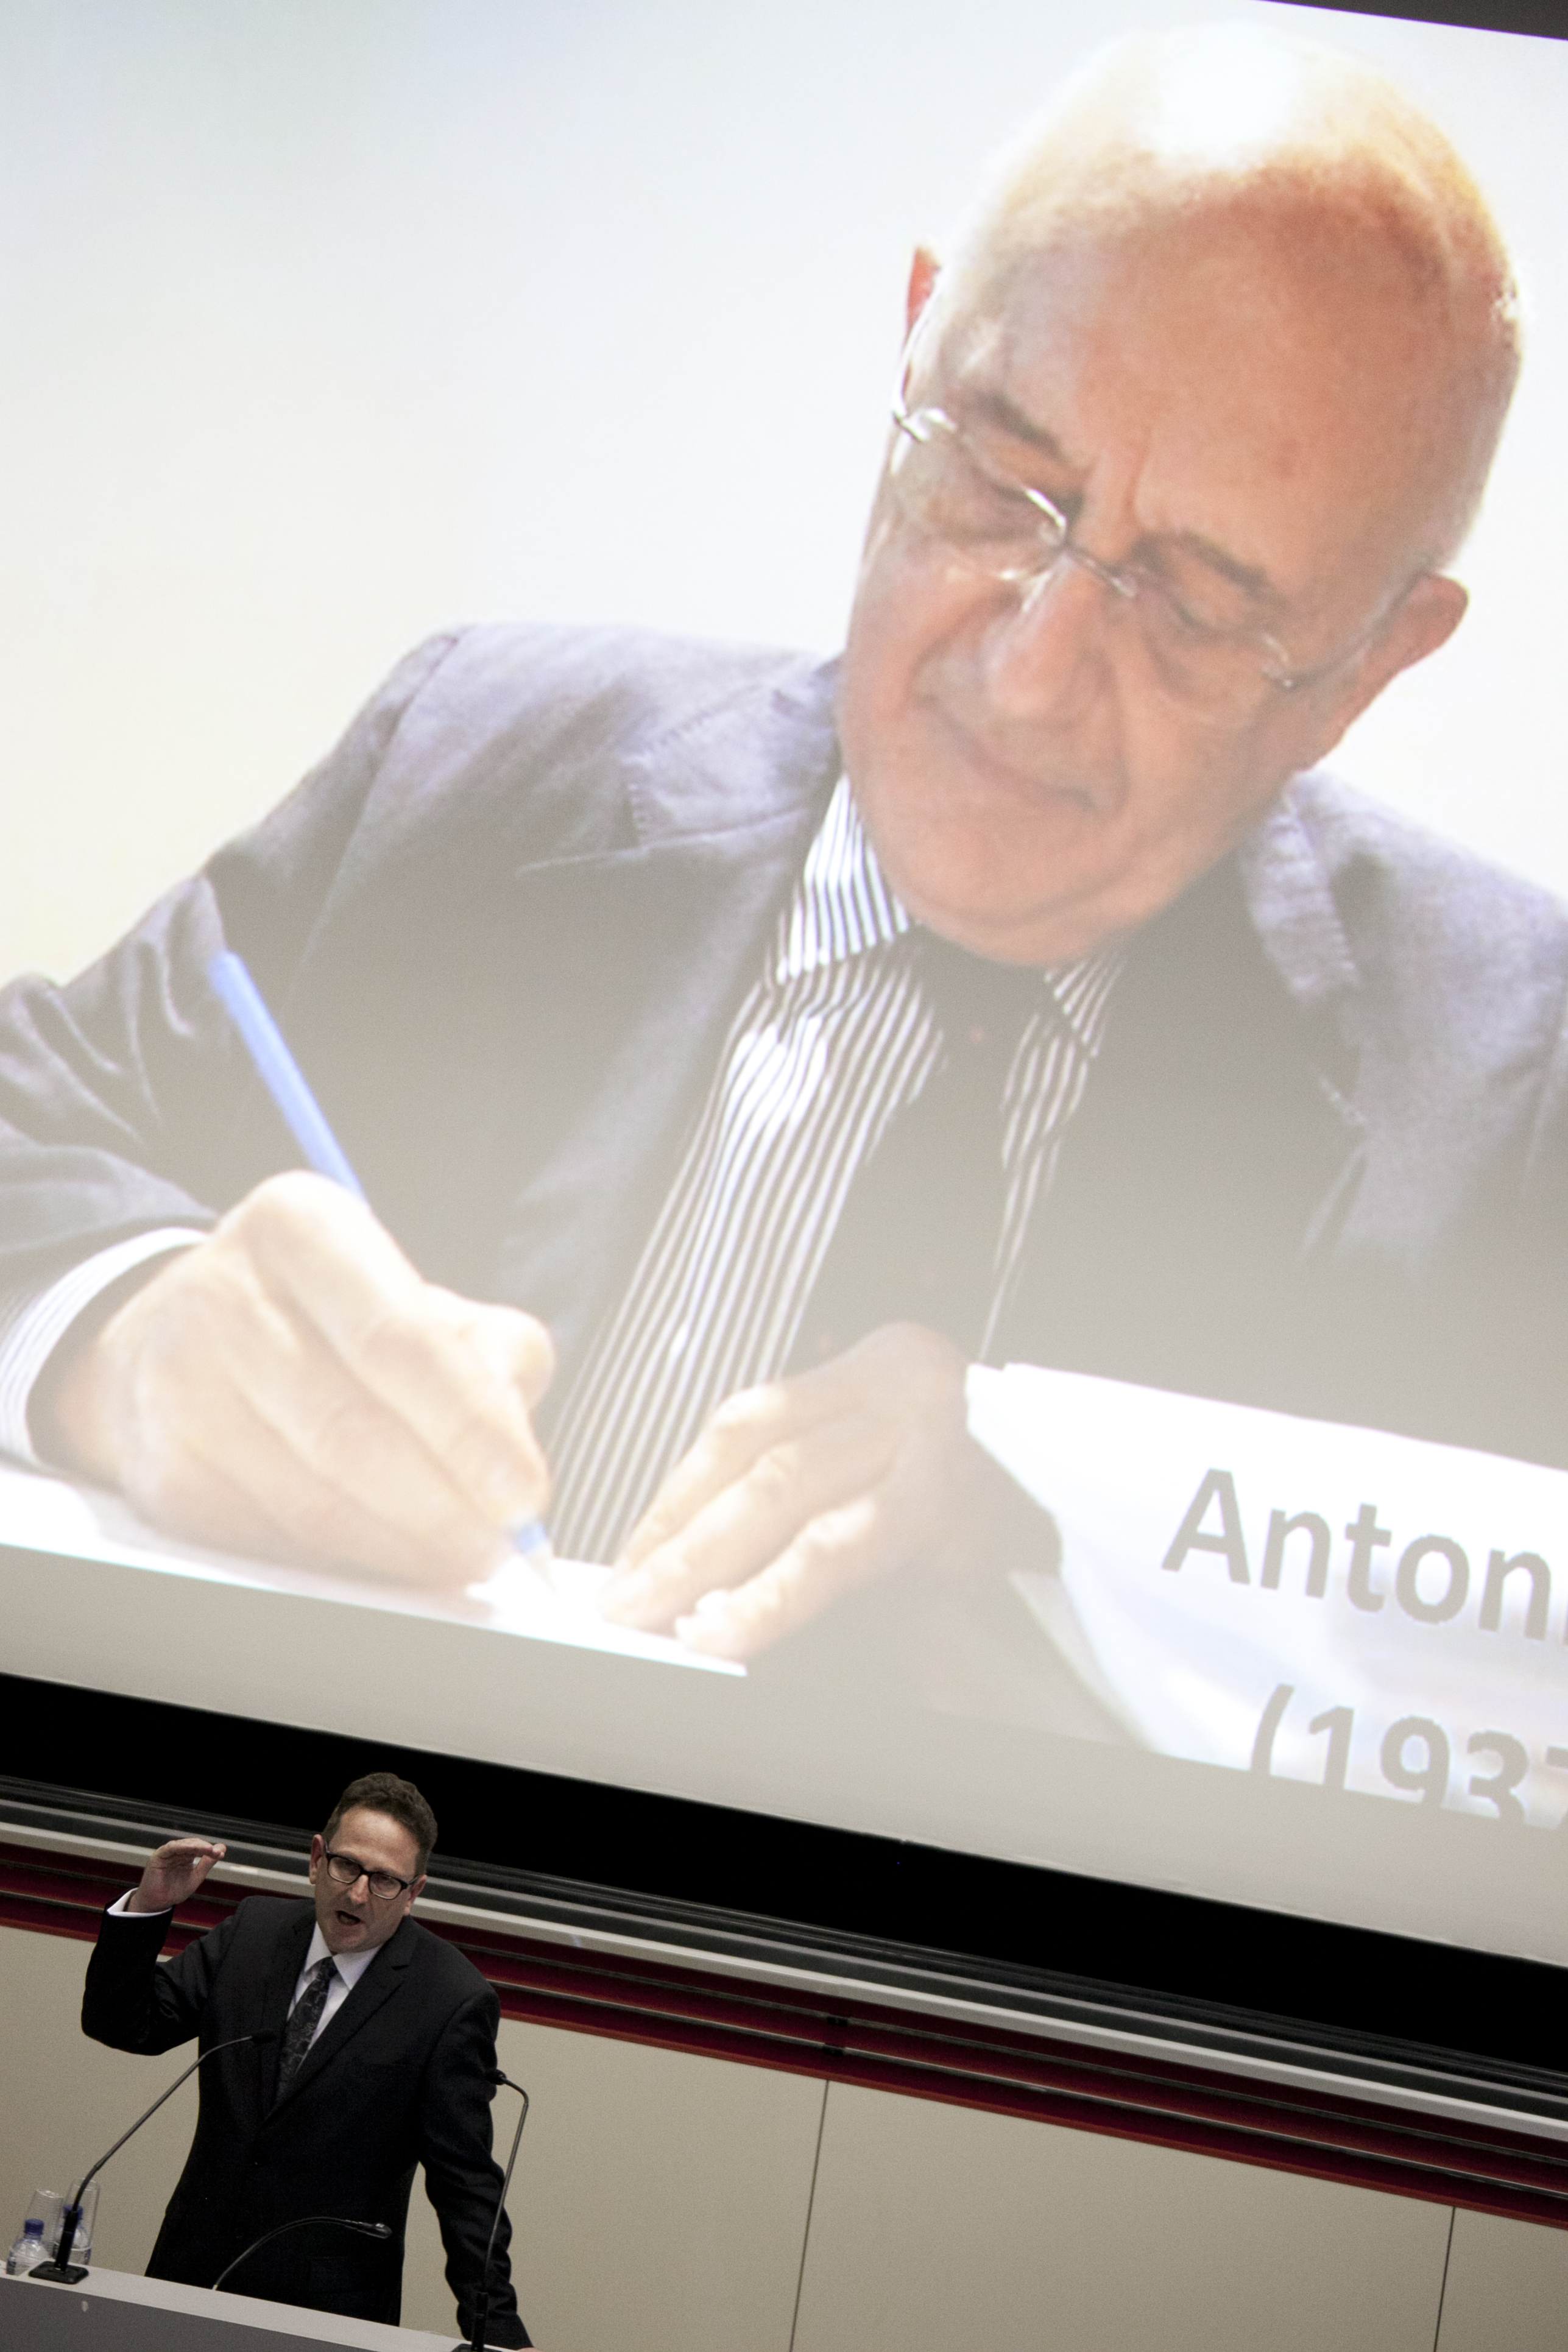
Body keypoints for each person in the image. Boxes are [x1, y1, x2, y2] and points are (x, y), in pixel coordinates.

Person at [0, 27, 1557, 1693]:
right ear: (912, 340)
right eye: (999, 479)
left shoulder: (1507, 1099)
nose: (1026, 669)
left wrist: (1071, 1518)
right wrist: (125, 1335)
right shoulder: (478, 762)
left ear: (1371, 661)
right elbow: (36, 1119)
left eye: (1191, 599)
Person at [81, 1771, 529, 2345]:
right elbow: (125, 2023)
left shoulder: (449, 1999)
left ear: (414, 1892)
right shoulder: (253, 1932)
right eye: (346, 1866)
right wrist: (149, 1906)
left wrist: (499, 2332)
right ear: (317, 1858)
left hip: (328, 2310)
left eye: (385, 1880)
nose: (358, 1894)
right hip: (190, 2275)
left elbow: (465, 2185)